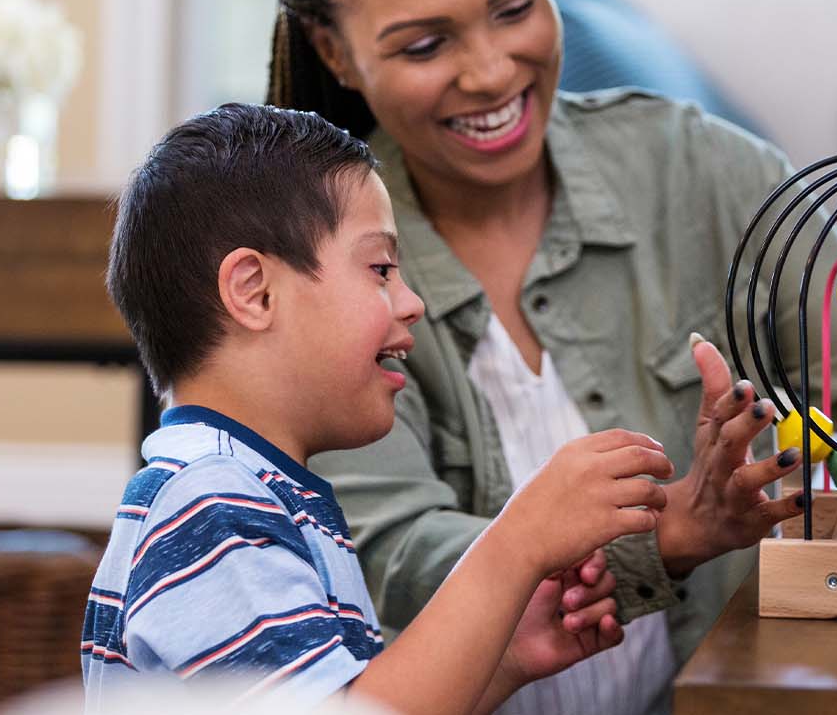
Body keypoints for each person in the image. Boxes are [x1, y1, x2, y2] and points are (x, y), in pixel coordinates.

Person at [262, 0, 837, 712]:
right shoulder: (313, 272)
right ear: (335, 52)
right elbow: (393, 552)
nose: (490, 71)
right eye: (425, 44)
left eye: (514, 7)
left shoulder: (705, 171)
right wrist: (671, 529)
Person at [83, 103, 684, 714]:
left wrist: (501, 663)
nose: (412, 302)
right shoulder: (209, 504)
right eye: (381, 270)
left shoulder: (253, 494)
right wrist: (516, 543)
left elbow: (360, 704)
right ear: (255, 291)